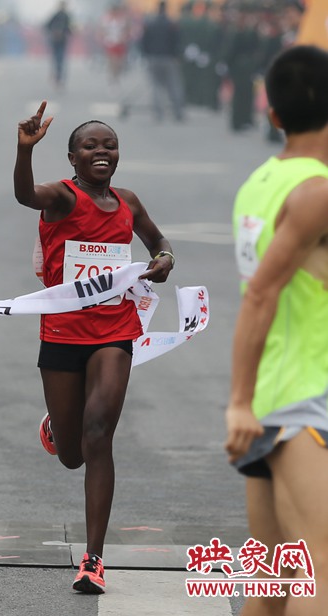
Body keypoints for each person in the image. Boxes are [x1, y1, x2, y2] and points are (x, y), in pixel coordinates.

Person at [13, 101, 174, 594]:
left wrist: (163, 260)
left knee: (99, 433)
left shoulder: (128, 202)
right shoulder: (62, 198)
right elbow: (25, 196)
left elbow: (159, 242)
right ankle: (57, 428)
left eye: (110, 146)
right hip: (62, 334)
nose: (102, 152)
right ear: (73, 158)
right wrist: (24, 151)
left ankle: (93, 559)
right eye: (90, 146)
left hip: (114, 331)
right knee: (73, 455)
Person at [225, 45, 328, 616]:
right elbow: (263, 293)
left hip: (273, 396)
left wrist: (245, 400)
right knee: (320, 569)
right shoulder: (318, 192)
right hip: (307, 397)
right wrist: (239, 401)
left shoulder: (260, 182)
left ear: (273, 114)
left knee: (274, 585)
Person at [140, 0, 185, 123]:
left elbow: (143, 41)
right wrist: (176, 55)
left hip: (153, 58)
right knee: (173, 86)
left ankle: (158, 113)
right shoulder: (172, 24)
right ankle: (178, 112)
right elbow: (177, 41)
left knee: (155, 86)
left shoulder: (150, 24)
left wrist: (146, 54)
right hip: (169, 58)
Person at [44, 1, 72, 89]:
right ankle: (57, 77)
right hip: (56, 40)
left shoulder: (65, 16)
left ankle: (58, 77)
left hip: (61, 41)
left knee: (59, 59)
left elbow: (69, 28)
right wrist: (55, 32)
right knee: (58, 59)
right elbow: (47, 26)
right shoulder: (57, 15)